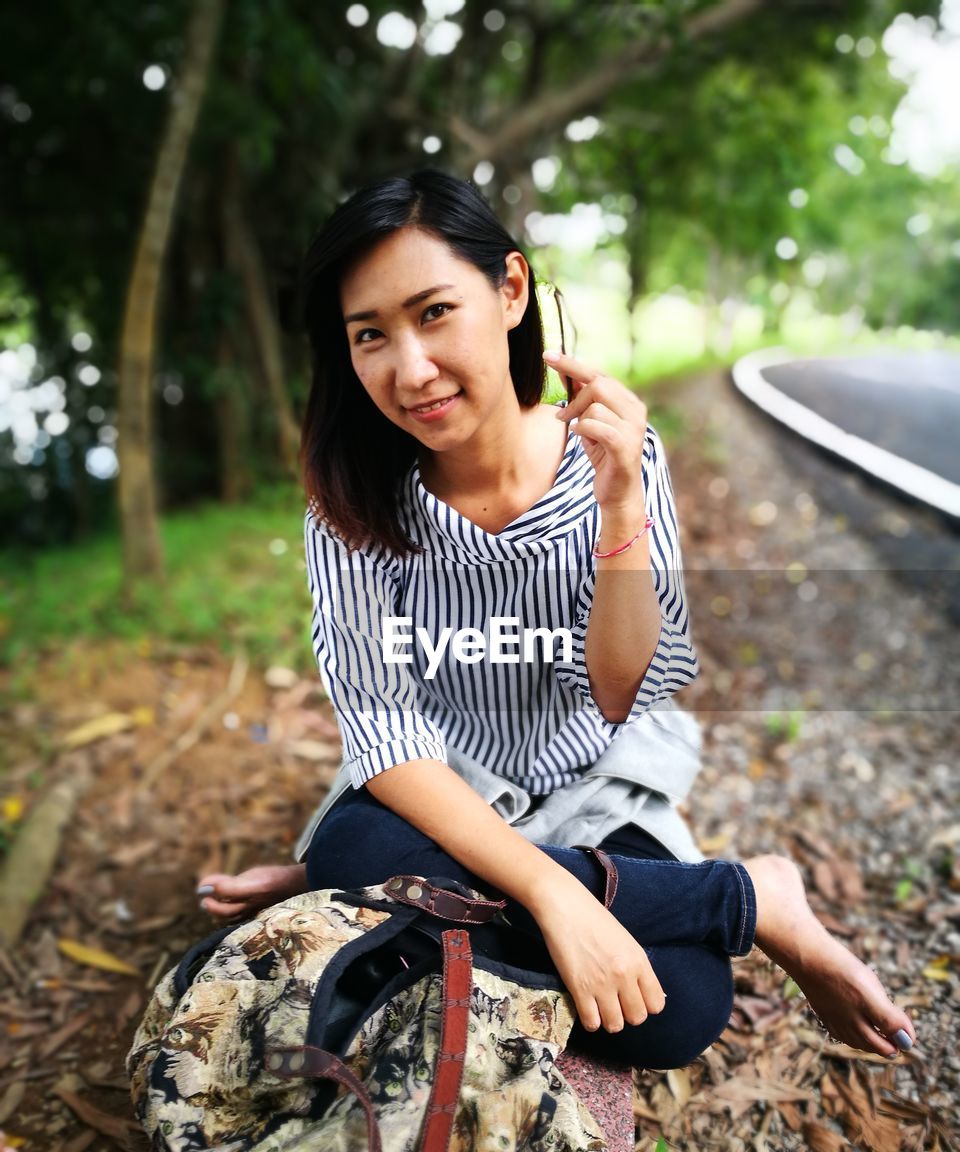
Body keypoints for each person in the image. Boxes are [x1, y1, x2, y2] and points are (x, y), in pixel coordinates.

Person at [196, 168, 915, 1069]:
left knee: (680, 1011)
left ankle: (415, 894)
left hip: (593, 783)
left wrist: (620, 512)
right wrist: (551, 894)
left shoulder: (615, 453)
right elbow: (384, 732)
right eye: (369, 335)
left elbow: (621, 693)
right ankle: (747, 901)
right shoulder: (348, 506)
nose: (408, 369)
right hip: (442, 791)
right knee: (356, 850)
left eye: (433, 313)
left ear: (509, 290)